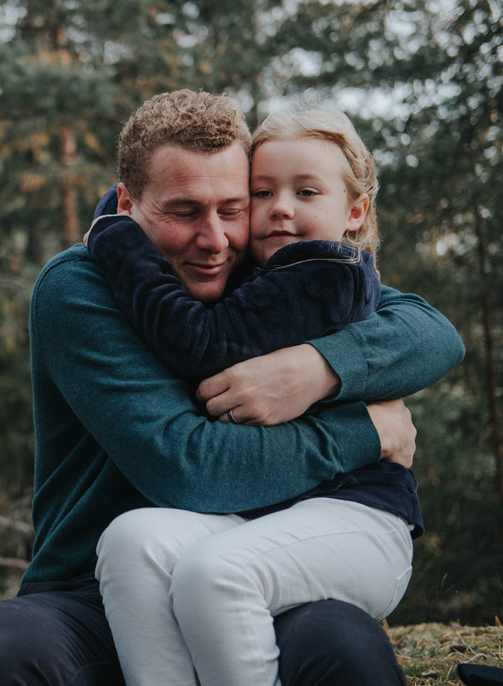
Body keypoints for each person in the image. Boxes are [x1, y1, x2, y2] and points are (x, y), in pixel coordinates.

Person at [0, 89, 466, 686]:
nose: (214, 239)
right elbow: (189, 468)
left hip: (254, 570)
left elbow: (429, 331)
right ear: (128, 205)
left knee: (344, 650)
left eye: (233, 208)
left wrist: (317, 368)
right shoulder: (79, 287)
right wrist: (364, 430)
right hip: (94, 590)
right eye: (184, 211)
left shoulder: (261, 261)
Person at [86, 106, 443, 686]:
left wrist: (116, 235)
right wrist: (127, 213)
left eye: (307, 191)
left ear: (354, 211)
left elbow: (204, 345)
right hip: (262, 517)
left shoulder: (325, 272)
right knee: (131, 540)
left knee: (215, 574)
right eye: (261, 192)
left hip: (356, 515)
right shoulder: (256, 268)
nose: (280, 207)